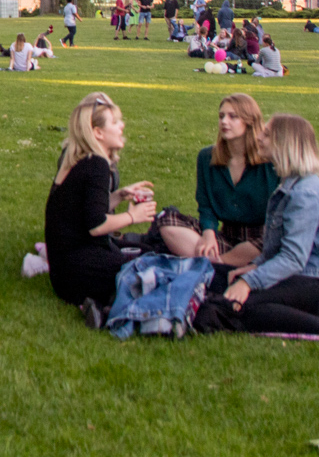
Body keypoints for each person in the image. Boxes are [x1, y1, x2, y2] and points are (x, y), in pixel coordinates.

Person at [193, 114, 319, 345]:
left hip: (318, 285)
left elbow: (294, 258)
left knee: (234, 307)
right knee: (212, 275)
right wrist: (255, 267)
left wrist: (249, 282)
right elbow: (276, 250)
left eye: (267, 134)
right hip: (295, 275)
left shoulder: (305, 194)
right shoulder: (288, 184)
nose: (259, 137)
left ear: (286, 143)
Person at [44, 92, 156, 328]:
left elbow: (81, 213)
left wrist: (118, 195)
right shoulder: (97, 164)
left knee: (146, 252)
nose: (122, 125)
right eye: (115, 122)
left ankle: (104, 304)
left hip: (64, 275)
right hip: (79, 272)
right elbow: (95, 226)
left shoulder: (80, 159)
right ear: (98, 132)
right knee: (150, 268)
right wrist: (131, 216)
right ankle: (108, 309)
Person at [151, 93, 276, 266]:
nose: (224, 121)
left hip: (261, 239)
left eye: (233, 117)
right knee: (166, 220)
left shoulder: (269, 163)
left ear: (249, 121)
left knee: (271, 241)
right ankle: (216, 263)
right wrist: (208, 232)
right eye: (221, 116)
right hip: (225, 237)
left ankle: (214, 265)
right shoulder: (207, 157)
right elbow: (205, 205)